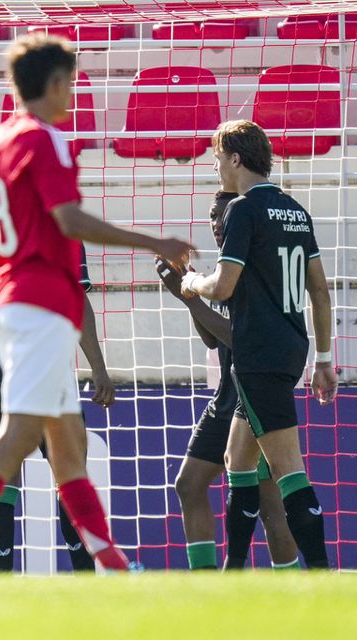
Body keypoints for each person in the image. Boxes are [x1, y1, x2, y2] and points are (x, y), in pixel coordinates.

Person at [0, 33, 193, 573]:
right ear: (58, 83)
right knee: (18, 434)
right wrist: (155, 242)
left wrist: (9, 289)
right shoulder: (48, 141)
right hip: (42, 305)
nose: (75, 95)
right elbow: (70, 220)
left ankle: (108, 559)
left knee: (68, 445)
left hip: (20, 304)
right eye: (73, 83)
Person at [180, 119, 337, 569]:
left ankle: (323, 580)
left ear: (234, 158)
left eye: (216, 158)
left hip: (259, 352)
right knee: (237, 458)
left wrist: (192, 282)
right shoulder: (294, 210)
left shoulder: (243, 210)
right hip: (291, 347)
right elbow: (320, 291)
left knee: (289, 470)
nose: (215, 168)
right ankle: (234, 573)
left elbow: (225, 286)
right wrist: (324, 359)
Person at [0, 233, 114, 572]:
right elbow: (77, 304)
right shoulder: (64, 231)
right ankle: (86, 580)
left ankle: (2, 584)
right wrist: (98, 368)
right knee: (70, 477)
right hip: (49, 379)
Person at [157, 190, 299, 570]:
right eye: (211, 217)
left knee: (271, 506)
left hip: (254, 396)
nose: (217, 224)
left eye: (223, 217)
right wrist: (184, 289)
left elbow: (242, 338)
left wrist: (190, 297)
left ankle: (292, 588)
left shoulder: (249, 268)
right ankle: (206, 587)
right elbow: (211, 336)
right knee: (189, 485)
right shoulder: (222, 268)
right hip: (226, 399)